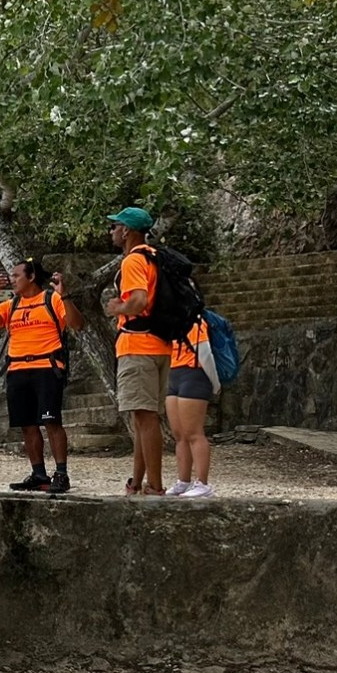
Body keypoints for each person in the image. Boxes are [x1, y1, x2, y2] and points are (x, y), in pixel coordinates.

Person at [0, 258, 80, 494]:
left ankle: (61, 474)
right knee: (27, 425)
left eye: (16, 276)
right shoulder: (11, 304)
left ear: (31, 276)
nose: (12, 280)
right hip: (17, 370)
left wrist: (64, 295)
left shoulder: (51, 298)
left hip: (47, 367)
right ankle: (39, 474)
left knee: (51, 421)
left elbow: (77, 324)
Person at [104, 206, 172, 496]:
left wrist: (117, 307)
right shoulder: (157, 257)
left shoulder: (133, 261)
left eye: (115, 226)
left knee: (146, 419)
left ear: (127, 231)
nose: (111, 231)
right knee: (143, 418)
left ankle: (155, 486)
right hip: (161, 344)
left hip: (138, 346)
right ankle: (137, 481)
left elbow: (140, 301)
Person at [166, 317, 219, 497]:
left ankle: (203, 483)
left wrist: (215, 382)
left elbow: (205, 353)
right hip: (174, 374)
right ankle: (183, 480)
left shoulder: (194, 320)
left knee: (193, 432)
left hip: (194, 374)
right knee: (179, 434)